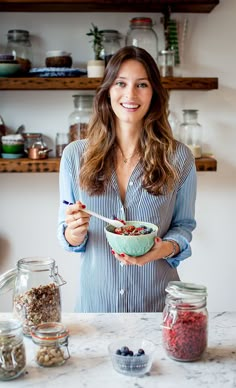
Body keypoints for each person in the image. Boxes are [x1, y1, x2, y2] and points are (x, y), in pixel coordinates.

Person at [57, 46, 197, 313]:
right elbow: (67, 235)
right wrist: (74, 231)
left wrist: (161, 250)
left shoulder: (179, 158)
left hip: (157, 311)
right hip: (96, 310)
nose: (130, 94)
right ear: (108, 90)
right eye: (121, 83)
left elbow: (183, 227)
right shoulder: (74, 156)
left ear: (154, 93)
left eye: (141, 84)